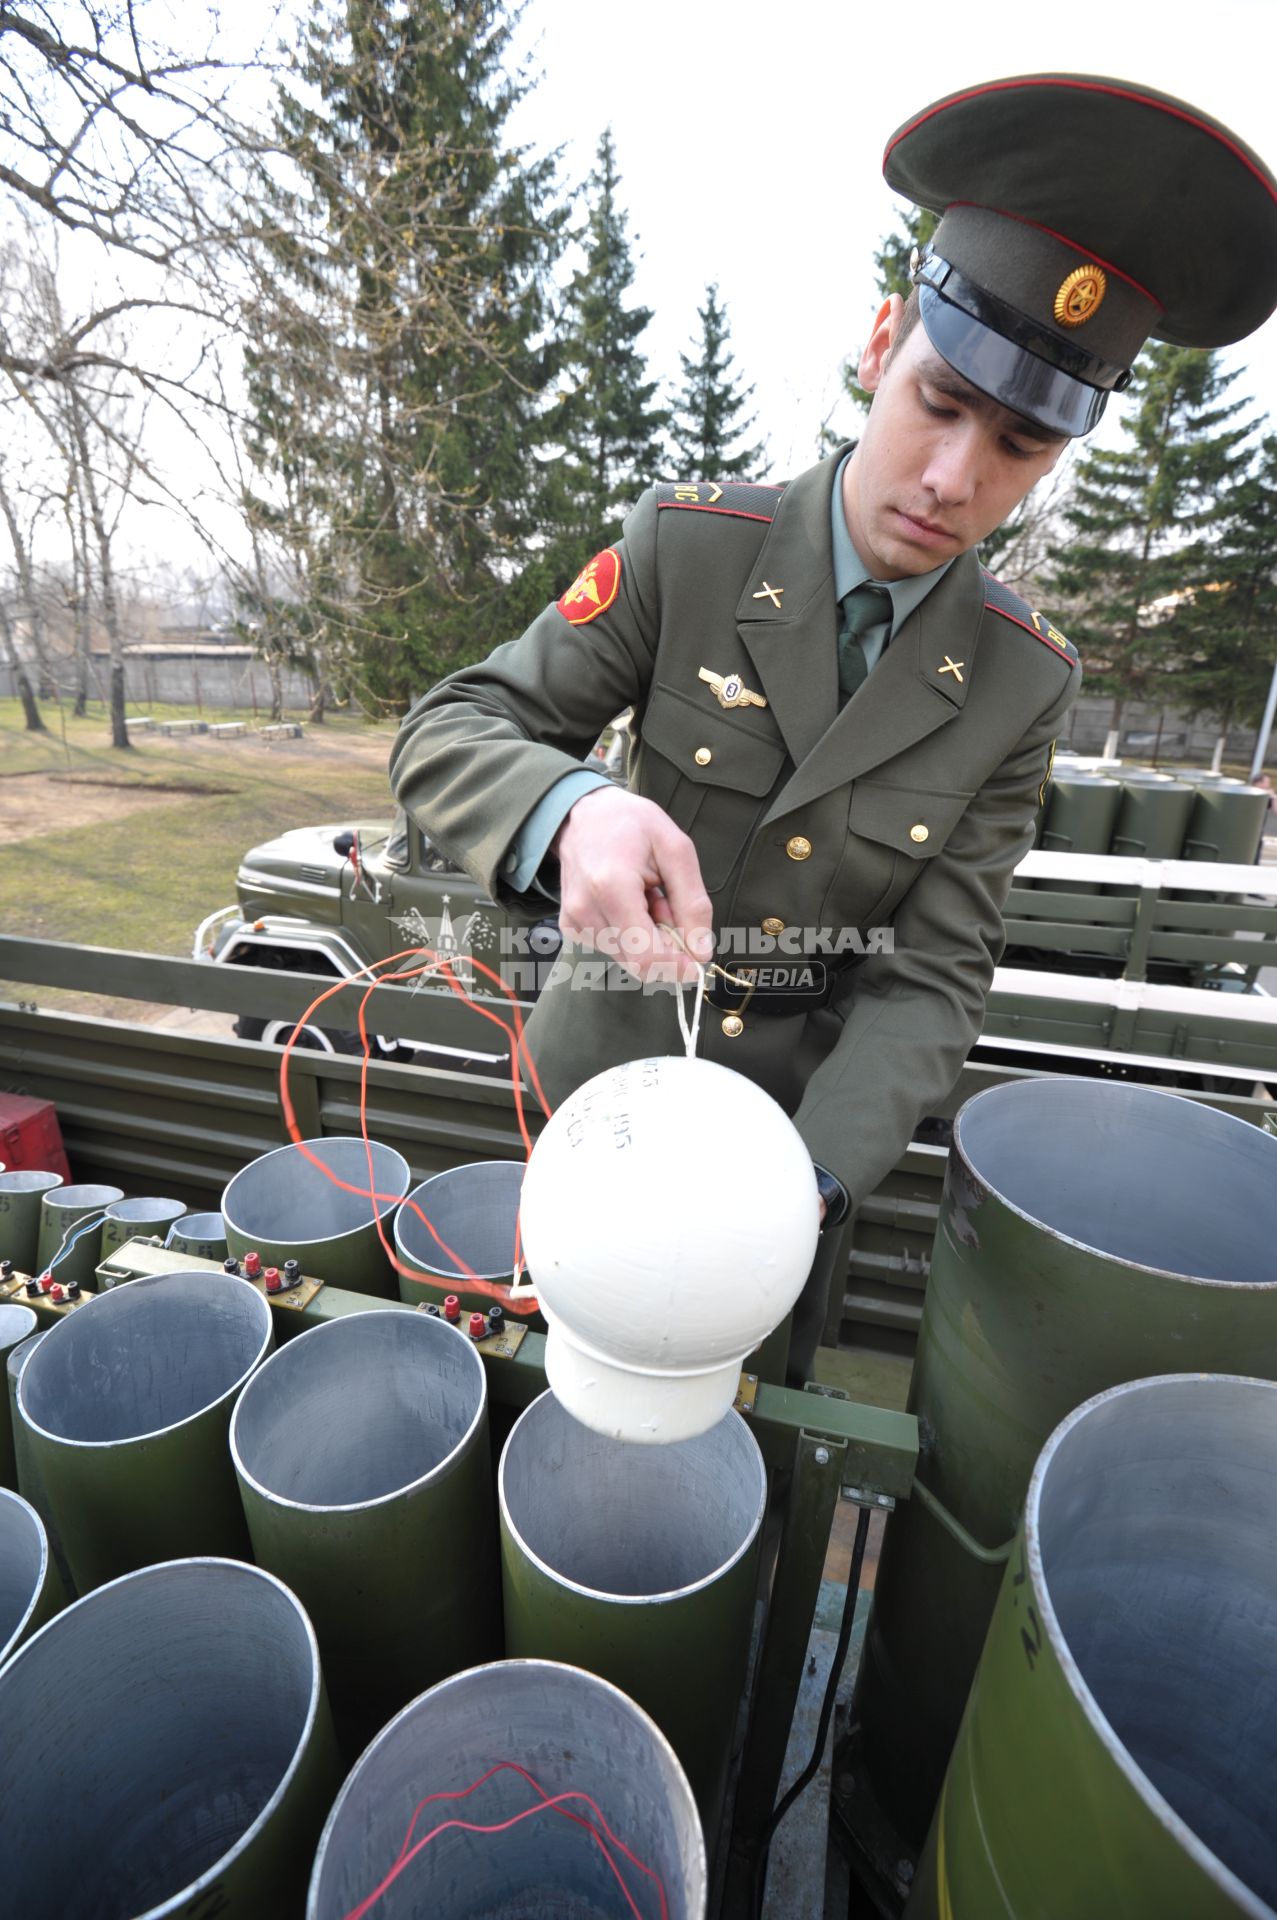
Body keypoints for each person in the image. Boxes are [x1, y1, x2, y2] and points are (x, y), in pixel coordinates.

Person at [390, 74, 1277, 1381]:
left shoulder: (1022, 682)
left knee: (747, 1436)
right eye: (938, 401)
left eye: (1019, 446)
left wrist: (799, 1186)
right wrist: (566, 807)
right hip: (602, 1115)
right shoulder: (687, 550)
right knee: (549, 1396)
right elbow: (450, 730)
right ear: (879, 345)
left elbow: (932, 970)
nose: (950, 480)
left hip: (796, 1151)